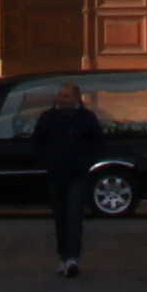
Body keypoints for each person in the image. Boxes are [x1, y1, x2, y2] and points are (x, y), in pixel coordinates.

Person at [36, 85, 113, 276]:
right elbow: (37, 143)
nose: (62, 99)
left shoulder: (86, 119)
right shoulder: (48, 118)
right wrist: (48, 162)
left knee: (74, 216)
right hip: (56, 174)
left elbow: (98, 143)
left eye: (66, 96)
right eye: (60, 95)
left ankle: (72, 258)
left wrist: (86, 161)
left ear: (77, 98)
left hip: (78, 175)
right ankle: (63, 255)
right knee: (60, 217)